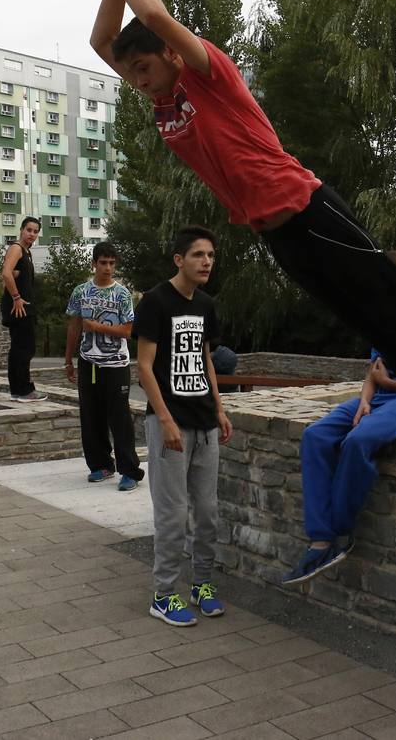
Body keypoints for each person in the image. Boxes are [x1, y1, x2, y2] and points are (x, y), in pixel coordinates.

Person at [89, 0, 396, 442]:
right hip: (271, 229)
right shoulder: (162, 100)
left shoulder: (207, 74)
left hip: (306, 203)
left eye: (144, 66)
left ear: (168, 53)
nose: (138, 80)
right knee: (355, 313)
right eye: (132, 73)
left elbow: (153, 14)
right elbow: (102, 40)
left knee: (389, 293)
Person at [282, 252, 396, 585]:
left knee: (358, 441)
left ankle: (340, 531)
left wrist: (383, 383)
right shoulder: (379, 318)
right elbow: (373, 370)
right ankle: (319, 540)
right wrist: (365, 400)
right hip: (379, 399)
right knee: (316, 435)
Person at [134, 226, 233, 626]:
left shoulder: (206, 305)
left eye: (210, 255)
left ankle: (202, 585)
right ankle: (164, 594)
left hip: (205, 423)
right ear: (179, 259)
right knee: (173, 515)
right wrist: (165, 419)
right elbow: (143, 366)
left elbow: (207, 359)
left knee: (207, 512)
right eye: (198, 255)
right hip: (169, 427)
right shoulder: (155, 303)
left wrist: (220, 409)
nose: (206, 262)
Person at [65, 241, 143, 490]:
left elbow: (129, 331)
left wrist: (98, 327)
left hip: (116, 364)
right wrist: (68, 359)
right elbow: (75, 325)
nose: (108, 268)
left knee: (119, 416)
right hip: (89, 361)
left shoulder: (122, 294)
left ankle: (129, 470)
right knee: (90, 414)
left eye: (112, 263)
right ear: (94, 263)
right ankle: (101, 464)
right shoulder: (81, 292)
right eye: (103, 263)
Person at [0, 216, 46, 402]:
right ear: (21, 230)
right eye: (29, 230)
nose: (32, 234)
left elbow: (13, 274)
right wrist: (17, 298)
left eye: (35, 231)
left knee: (23, 347)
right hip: (19, 308)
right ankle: (23, 390)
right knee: (23, 348)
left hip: (25, 307)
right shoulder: (16, 248)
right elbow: (5, 273)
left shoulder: (26, 252)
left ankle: (19, 389)